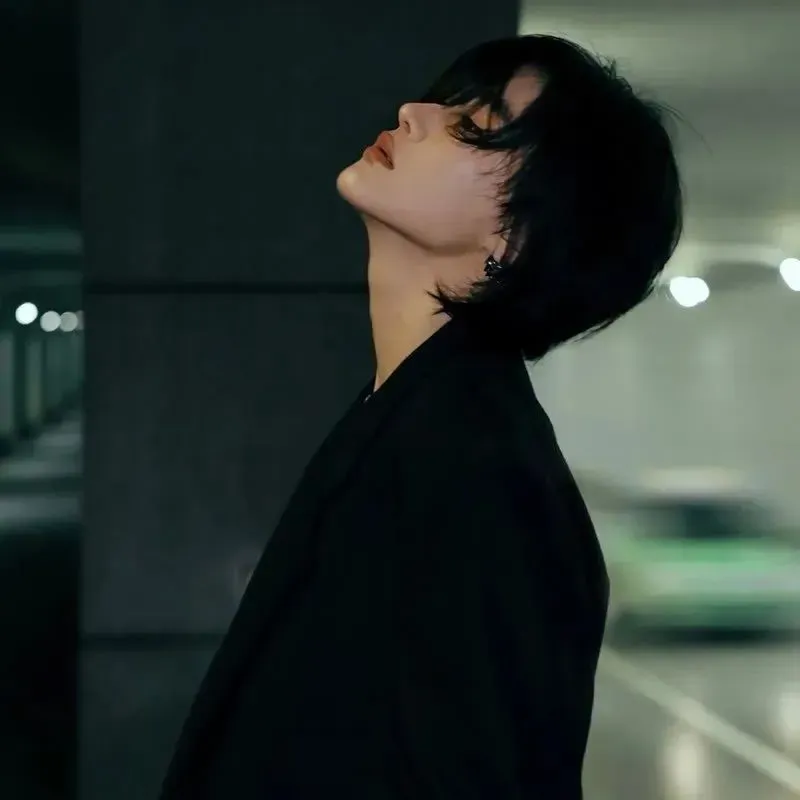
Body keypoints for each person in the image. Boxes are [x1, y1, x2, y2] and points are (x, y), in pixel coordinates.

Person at [159, 34, 683, 799]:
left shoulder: (480, 469)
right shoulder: (415, 415)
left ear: (518, 234)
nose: (411, 112)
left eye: (472, 125)